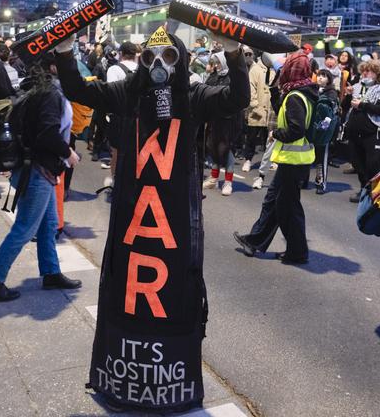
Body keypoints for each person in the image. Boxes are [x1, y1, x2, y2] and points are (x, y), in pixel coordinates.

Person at [53, 26, 249, 412]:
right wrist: (64, 52)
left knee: (171, 287)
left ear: (182, 61)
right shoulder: (128, 92)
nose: (159, 65)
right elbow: (79, 91)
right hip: (135, 215)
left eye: (169, 57)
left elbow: (237, 98)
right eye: (151, 57)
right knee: (130, 283)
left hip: (173, 219)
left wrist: (234, 55)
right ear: (142, 61)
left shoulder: (192, 96)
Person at [0, 53, 82, 301]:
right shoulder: (49, 94)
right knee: (25, 228)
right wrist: (67, 152)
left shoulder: (37, 90)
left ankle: (51, 273)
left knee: (48, 225)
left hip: (36, 168)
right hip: (39, 170)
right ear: (52, 67)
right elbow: (47, 133)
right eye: (67, 63)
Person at [234, 52, 318, 264]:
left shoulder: (296, 96)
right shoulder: (302, 92)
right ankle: (255, 241)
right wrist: (273, 88)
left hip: (293, 160)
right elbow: (284, 110)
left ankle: (296, 252)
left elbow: (296, 129)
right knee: (275, 202)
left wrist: (275, 134)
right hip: (294, 161)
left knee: (286, 207)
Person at [347, 60, 380, 203]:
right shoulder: (356, 86)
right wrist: (348, 95)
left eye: (369, 71)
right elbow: (345, 106)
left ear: (376, 73)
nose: (365, 73)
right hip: (355, 133)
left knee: (372, 164)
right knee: (357, 162)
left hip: (372, 133)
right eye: (363, 71)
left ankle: (374, 192)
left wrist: (362, 105)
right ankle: (364, 189)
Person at [203, 51, 242, 196]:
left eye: (218, 63)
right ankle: (213, 178)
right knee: (213, 148)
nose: (216, 66)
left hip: (229, 120)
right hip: (215, 119)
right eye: (215, 63)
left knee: (227, 150)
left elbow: (234, 97)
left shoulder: (232, 77)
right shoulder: (214, 76)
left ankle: (228, 182)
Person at [102, 42, 138, 188]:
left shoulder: (114, 69)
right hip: (138, 117)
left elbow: (112, 93)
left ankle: (116, 183)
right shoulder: (142, 69)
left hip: (119, 115)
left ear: (121, 53)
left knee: (117, 151)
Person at [242, 51, 274, 173]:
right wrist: (254, 104)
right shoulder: (255, 69)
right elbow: (251, 88)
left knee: (270, 138)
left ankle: (269, 160)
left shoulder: (275, 69)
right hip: (257, 109)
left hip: (271, 109)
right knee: (251, 137)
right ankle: (248, 159)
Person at [313, 69, 339, 195]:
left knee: (321, 158)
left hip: (324, 130)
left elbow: (331, 113)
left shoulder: (332, 93)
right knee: (309, 156)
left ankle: (321, 183)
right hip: (313, 127)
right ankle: (303, 180)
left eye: (324, 76)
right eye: (319, 76)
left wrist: (323, 127)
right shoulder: (313, 89)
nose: (320, 78)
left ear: (329, 79)